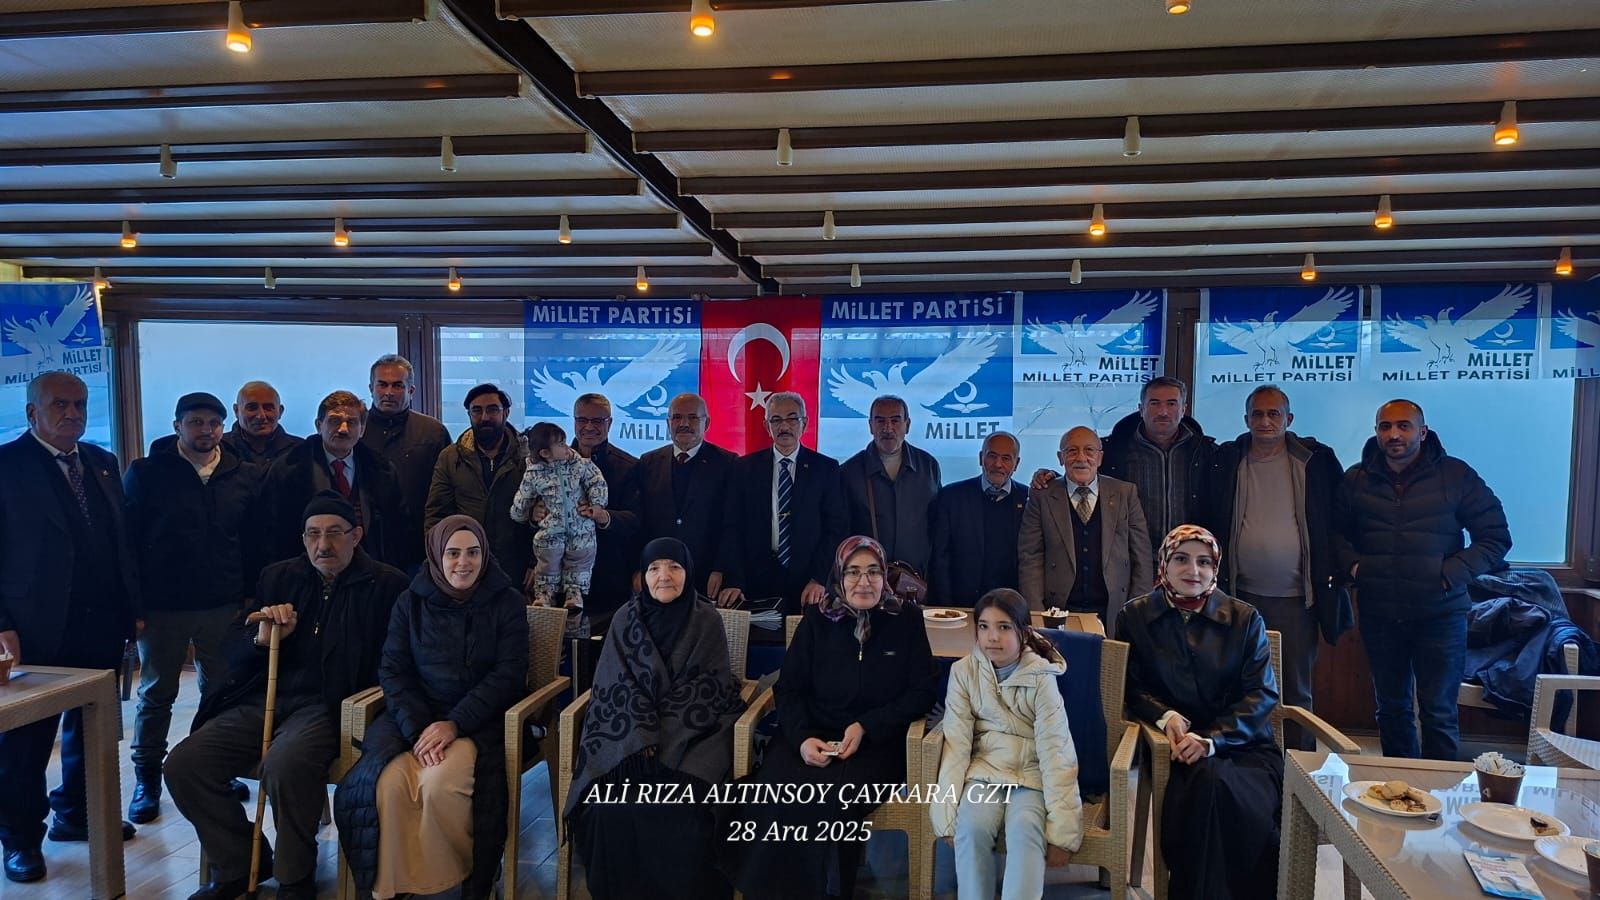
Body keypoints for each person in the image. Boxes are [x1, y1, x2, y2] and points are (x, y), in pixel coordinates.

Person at [167, 494, 408, 900]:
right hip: (263, 697)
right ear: (303, 539)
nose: (323, 545)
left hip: (329, 706)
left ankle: (294, 876)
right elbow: (232, 646)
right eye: (313, 534)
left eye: (335, 533)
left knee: (285, 764)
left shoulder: (387, 585)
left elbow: (396, 661)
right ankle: (239, 862)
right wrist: (261, 637)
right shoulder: (279, 577)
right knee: (184, 764)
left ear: (356, 536)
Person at [724, 535, 939, 899]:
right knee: (776, 794)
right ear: (839, 576)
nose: (863, 581)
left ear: (885, 575)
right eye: (853, 572)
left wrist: (867, 726)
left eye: (873, 571)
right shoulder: (817, 619)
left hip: (875, 744)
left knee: (834, 801)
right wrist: (802, 739)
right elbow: (789, 689)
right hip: (810, 736)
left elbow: (922, 691)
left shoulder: (905, 620)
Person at [334, 516, 528, 900]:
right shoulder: (410, 601)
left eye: (472, 553)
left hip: (477, 721)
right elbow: (393, 670)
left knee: (439, 784)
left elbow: (508, 674)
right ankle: (396, 885)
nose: (463, 563)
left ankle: (450, 883)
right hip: (414, 720)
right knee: (386, 785)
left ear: (485, 555)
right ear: (437, 556)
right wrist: (419, 728)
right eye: (453, 553)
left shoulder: (507, 602)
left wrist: (453, 724)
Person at [0, 371, 142, 885]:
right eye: (60, 404)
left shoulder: (101, 462)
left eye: (80, 404)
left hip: (100, 620)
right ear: (32, 412)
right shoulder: (7, 466)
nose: (73, 414)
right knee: (26, 741)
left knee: (93, 728)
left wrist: (133, 610)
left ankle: (78, 814)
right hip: (33, 626)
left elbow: (120, 542)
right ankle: (19, 838)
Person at [566, 538, 745, 900]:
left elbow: (708, 687)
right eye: (654, 568)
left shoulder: (706, 619)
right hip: (631, 744)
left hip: (694, 739)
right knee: (606, 810)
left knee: (685, 813)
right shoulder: (624, 619)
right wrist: (640, 740)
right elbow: (614, 684)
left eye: (674, 567)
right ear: (643, 577)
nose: (664, 576)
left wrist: (659, 738)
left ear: (688, 572)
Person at [1335, 399, 1511, 760]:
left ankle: (1441, 792)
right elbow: (1335, 535)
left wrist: (1448, 574)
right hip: (1380, 613)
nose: (1394, 434)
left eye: (1404, 426)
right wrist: (1355, 568)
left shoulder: (1456, 476)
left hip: (1440, 615)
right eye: (1385, 426)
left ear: (1423, 431)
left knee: (1439, 713)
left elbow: (1495, 538)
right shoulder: (1356, 479)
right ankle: (1400, 788)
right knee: (1391, 709)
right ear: (1376, 432)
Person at [1115, 524, 1281, 900]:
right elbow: (1131, 687)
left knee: (1226, 793)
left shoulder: (1245, 618)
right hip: (1176, 749)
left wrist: (1212, 740)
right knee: (1209, 787)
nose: (1193, 570)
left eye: (1204, 562)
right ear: (1164, 564)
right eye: (1181, 559)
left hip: (1244, 746)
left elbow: (1261, 694)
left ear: (1215, 568)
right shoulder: (1135, 617)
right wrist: (1166, 716)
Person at [122, 392, 262, 825]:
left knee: (221, 688)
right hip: (162, 606)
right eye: (196, 422)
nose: (206, 430)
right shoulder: (147, 473)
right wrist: (134, 605)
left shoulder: (243, 474)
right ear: (177, 426)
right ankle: (147, 778)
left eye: (213, 423)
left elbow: (252, 541)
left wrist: (251, 596)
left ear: (224, 426)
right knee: (157, 692)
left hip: (224, 603)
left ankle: (214, 767)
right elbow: (127, 542)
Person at [1205, 385, 1348, 751]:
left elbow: (1342, 519)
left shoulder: (1316, 461)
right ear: (1246, 419)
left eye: (1274, 414)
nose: (1265, 421)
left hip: (1298, 599)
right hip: (1238, 596)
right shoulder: (1226, 460)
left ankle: (1299, 766)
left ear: (1289, 419)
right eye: (1257, 414)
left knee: (1295, 690)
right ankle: (1251, 763)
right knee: (1238, 684)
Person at [930, 588, 1082, 900]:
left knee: (1025, 829)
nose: (992, 637)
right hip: (984, 771)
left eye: (1003, 627)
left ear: (1023, 632)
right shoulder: (963, 672)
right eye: (984, 626)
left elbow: (1057, 752)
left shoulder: (1041, 678)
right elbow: (956, 744)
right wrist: (945, 813)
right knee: (970, 827)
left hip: (1031, 776)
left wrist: (1063, 832)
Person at [1039, 377, 1214, 553]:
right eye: (1154, 403)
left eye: (1171, 404)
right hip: (1128, 557)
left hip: (1190, 558)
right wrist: (1051, 478)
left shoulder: (1207, 453)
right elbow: (1081, 479)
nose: (1163, 412)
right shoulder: (1113, 450)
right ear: (1141, 409)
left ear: (1183, 409)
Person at [1018, 427, 1152, 636]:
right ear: (1060, 458)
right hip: (1058, 611)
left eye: (1089, 450)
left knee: (1110, 659)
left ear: (1100, 458)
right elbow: (1030, 557)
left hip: (1113, 612)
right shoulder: (1041, 496)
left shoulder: (1125, 493)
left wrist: (1137, 611)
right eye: (1071, 451)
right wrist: (1036, 615)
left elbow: (1141, 556)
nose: (1081, 458)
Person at [723, 392, 849, 615]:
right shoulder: (744, 468)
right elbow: (732, 527)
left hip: (809, 583)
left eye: (792, 418)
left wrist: (819, 578)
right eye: (776, 420)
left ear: (805, 423)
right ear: (766, 426)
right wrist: (735, 580)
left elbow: (835, 528)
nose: (784, 426)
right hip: (755, 580)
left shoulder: (826, 469)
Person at [262, 390, 405, 567]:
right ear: (318, 425)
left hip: (369, 571)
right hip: (307, 571)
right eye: (335, 421)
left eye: (351, 422)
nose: (343, 429)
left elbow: (396, 531)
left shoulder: (383, 471)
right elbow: (273, 534)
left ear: (362, 429)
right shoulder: (288, 470)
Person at [627, 393, 742, 602]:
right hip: (658, 578)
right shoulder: (648, 462)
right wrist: (638, 567)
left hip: (706, 576)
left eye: (692, 417)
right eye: (677, 417)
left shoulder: (728, 464)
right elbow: (639, 522)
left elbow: (732, 524)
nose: (684, 424)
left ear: (707, 423)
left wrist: (722, 568)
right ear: (668, 422)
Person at [424, 382, 532, 585]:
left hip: (517, 566)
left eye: (492, 409)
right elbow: (437, 515)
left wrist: (536, 563)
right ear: (469, 414)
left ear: (506, 412)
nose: (484, 417)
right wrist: (438, 562)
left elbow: (543, 514)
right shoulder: (450, 457)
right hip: (466, 565)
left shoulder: (528, 457)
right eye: (477, 411)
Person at [361, 354, 451, 571]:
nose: (389, 392)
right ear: (371, 388)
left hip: (418, 548)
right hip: (364, 548)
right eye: (382, 385)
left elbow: (447, 492)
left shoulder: (433, 432)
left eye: (397, 385)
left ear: (411, 390)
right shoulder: (356, 430)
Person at [838, 395, 942, 576]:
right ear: (870, 425)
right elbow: (839, 530)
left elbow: (938, 525)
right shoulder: (848, 472)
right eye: (880, 421)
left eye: (895, 420)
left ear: (907, 425)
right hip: (866, 581)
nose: (887, 428)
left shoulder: (928, 466)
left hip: (918, 580)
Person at [510, 422, 608, 612]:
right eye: (561, 444)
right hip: (551, 527)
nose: (567, 447)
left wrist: (597, 504)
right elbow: (524, 495)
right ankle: (545, 593)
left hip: (580, 526)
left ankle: (574, 592)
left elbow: (596, 480)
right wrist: (521, 513)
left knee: (580, 559)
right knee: (548, 559)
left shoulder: (578, 463)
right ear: (545, 453)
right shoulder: (533, 473)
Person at [929, 431, 1029, 608]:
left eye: (1006, 458)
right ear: (981, 458)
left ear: (1017, 463)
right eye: (992, 456)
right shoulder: (952, 496)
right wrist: (945, 606)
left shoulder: (1029, 499)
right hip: (960, 605)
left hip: (1011, 606)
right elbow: (940, 557)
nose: (998, 464)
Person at [570, 393, 641, 620]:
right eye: (582, 420)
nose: (589, 427)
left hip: (608, 581)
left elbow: (637, 521)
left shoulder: (629, 467)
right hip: (561, 578)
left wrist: (604, 517)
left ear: (610, 423)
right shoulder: (551, 462)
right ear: (574, 421)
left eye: (597, 421)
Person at [221, 380, 302, 467]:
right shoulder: (219, 448)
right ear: (236, 411)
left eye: (268, 408)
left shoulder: (300, 450)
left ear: (280, 411)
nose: (261, 416)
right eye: (252, 408)